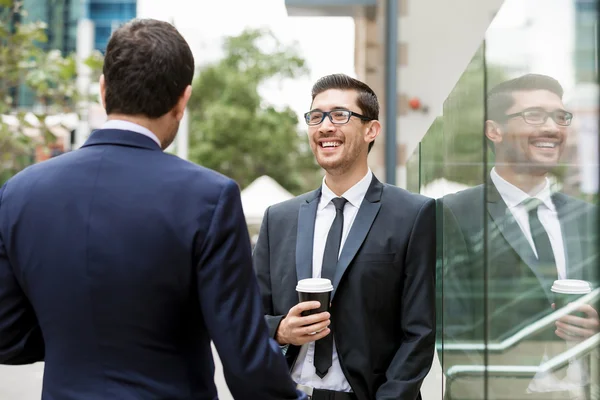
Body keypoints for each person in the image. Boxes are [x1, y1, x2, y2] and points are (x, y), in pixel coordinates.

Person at [0, 18, 306, 400]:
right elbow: (247, 363)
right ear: (183, 100)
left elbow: (6, 335)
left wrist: (79, 341)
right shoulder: (209, 197)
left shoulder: (19, 193)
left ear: (103, 89)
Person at [253, 73, 436, 400]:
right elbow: (249, 315)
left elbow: (418, 334)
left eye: (339, 115)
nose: (324, 126)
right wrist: (280, 330)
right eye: (315, 116)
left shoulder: (413, 214)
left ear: (371, 130)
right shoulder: (278, 219)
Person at [440, 74, 599, 399]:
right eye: (535, 116)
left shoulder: (587, 217)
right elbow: (452, 334)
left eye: (560, 117)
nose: (553, 128)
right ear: (494, 130)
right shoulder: (453, 213)